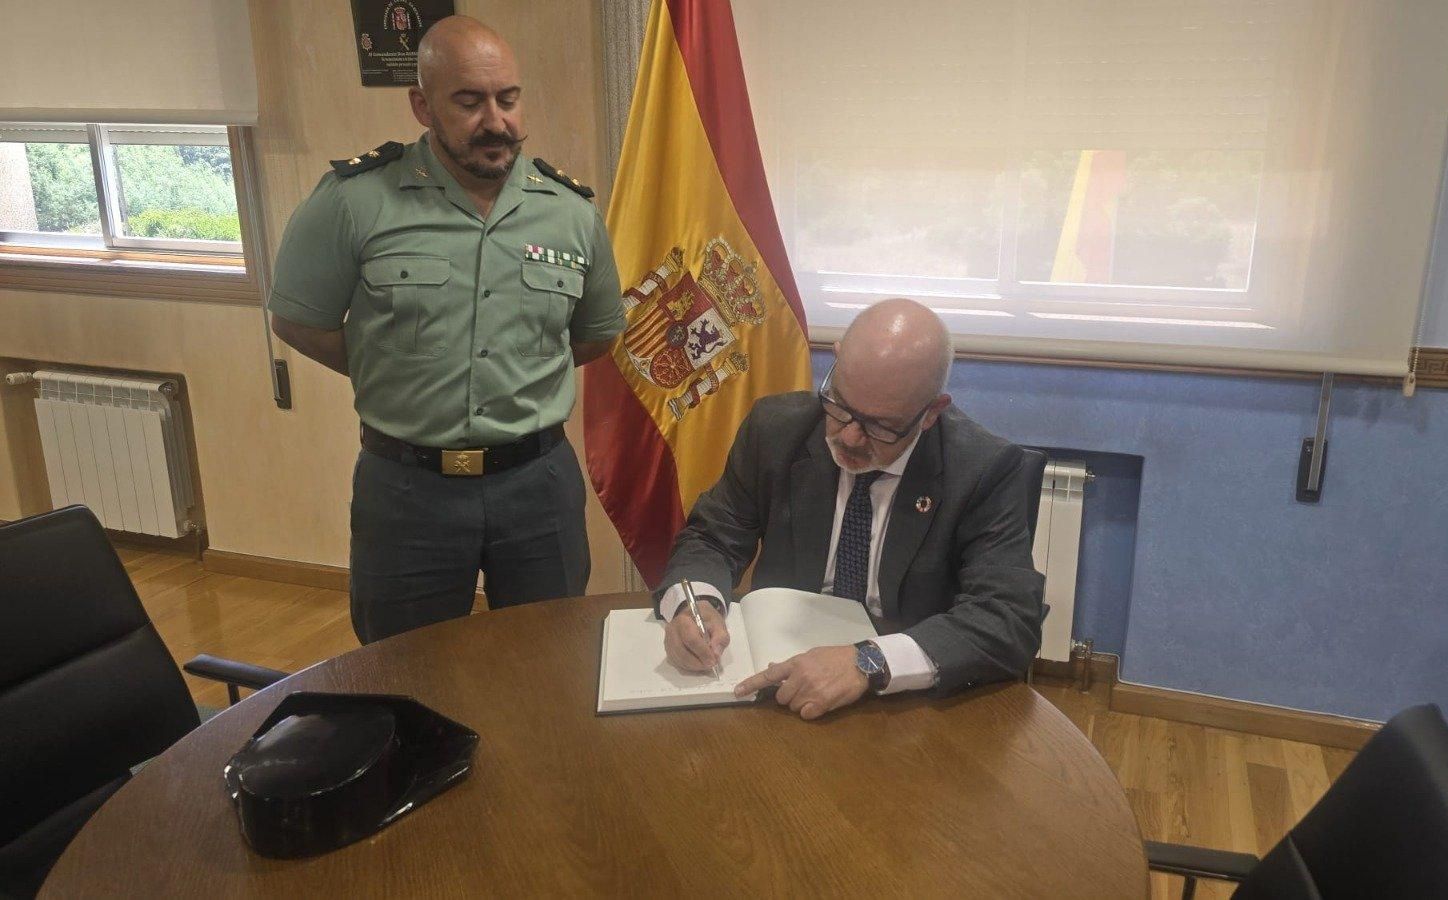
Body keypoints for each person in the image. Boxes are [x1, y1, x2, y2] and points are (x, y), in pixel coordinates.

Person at [266, 16, 624, 643]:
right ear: (422, 105)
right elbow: (299, 320)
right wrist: (396, 366)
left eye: (508, 99)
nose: (496, 121)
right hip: (407, 491)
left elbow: (595, 335)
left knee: (547, 664)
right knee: (406, 673)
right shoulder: (354, 201)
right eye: (469, 101)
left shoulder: (570, 214)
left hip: (536, 486)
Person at [657, 298, 1044, 719]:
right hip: (782, 677)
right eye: (839, 406)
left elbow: (1008, 616)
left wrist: (869, 661)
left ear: (931, 412)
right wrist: (693, 603)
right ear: (836, 362)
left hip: (906, 700)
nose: (851, 437)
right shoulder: (776, 429)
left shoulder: (983, 469)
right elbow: (713, 535)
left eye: (882, 425)